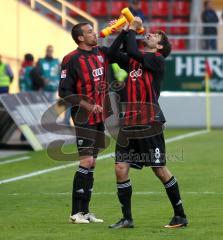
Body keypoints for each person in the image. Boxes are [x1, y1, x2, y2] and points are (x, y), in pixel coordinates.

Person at [107, 17, 188, 229]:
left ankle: (180, 215)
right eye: (149, 33)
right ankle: (127, 219)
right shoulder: (136, 60)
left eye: (155, 36)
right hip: (128, 124)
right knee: (120, 169)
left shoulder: (157, 59)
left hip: (148, 122)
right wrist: (124, 31)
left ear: (159, 46)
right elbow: (112, 54)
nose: (150, 34)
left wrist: (132, 29)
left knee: (159, 170)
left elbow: (133, 51)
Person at [58, 22, 114, 224]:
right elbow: (63, 92)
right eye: (89, 31)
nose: (94, 33)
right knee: (86, 161)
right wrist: (88, 106)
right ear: (80, 38)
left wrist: (121, 29)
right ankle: (75, 213)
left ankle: (85, 212)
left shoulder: (99, 53)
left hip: (99, 117)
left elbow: (118, 50)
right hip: (84, 116)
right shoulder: (71, 59)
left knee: (93, 163)